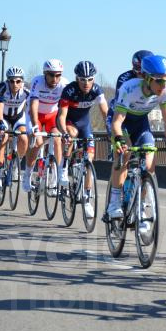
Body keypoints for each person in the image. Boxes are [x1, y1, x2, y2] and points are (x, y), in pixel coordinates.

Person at [106, 54, 166, 238]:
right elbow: (117, 122)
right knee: (125, 154)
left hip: (141, 123)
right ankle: (115, 201)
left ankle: (140, 209)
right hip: (120, 122)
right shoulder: (129, 88)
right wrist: (118, 139)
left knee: (149, 163)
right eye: (159, 81)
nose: (164, 85)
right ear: (147, 78)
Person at [58, 60, 108, 216]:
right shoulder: (69, 90)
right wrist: (64, 132)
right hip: (69, 122)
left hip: (85, 125)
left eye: (90, 79)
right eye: (82, 79)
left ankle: (86, 198)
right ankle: (64, 167)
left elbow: (105, 113)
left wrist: (112, 131)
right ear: (77, 78)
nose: (86, 83)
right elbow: (61, 116)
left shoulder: (97, 90)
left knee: (89, 159)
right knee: (71, 135)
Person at [25, 59, 69, 194]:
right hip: (36, 115)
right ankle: (27, 175)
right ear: (45, 74)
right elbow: (33, 105)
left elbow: (65, 109)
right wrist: (35, 127)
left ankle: (55, 178)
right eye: (51, 75)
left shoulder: (64, 84)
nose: (55, 79)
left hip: (52, 115)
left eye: (58, 75)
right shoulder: (38, 81)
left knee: (57, 140)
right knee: (37, 143)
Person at [0, 66, 30, 191]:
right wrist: (0, 123)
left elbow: (31, 110)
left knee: (24, 138)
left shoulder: (26, 92)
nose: (15, 84)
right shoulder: (2, 88)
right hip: (4, 117)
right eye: (12, 81)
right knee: (3, 138)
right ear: (7, 81)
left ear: (22, 81)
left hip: (19, 118)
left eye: (18, 81)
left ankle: (15, 164)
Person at [106, 50, 152, 135]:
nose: (143, 75)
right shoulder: (124, 78)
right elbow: (121, 102)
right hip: (120, 116)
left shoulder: (156, 82)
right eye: (141, 70)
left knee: (148, 147)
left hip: (139, 119)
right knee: (125, 146)